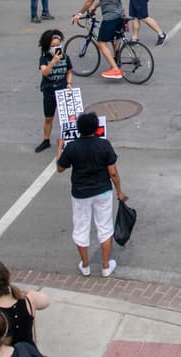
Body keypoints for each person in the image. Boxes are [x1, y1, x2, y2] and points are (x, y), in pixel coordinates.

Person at [56, 112, 126, 278]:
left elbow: (60, 168)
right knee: (105, 227)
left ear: (79, 129)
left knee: (81, 228)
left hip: (80, 193)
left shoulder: (72, 147)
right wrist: (119, 191)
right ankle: (105, 266)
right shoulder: (104, 145)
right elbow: (113, 172)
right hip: (103, 191)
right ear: (96, 127)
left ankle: (85, 265)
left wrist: (60, 147)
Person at [72, 0, 125, 79]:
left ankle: (115, 70)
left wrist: (79, 14)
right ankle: (117, 61)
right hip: (120, 14)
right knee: (114, 39)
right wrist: (95, 7)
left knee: (101, 43)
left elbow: (89, 1)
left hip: (110, 17)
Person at [34, 29, 73, 153]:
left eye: (58, 45)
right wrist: (54, 61)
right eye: (53, 46)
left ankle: (67, 140)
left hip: (62, 90)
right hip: (49, 91)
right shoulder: (44, 58)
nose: (56, 48)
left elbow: (69, 71)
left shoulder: (65, 57)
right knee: (48, 117)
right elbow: (45, 72)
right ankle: (46, 140)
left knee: (65, 118)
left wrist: (69, 83)